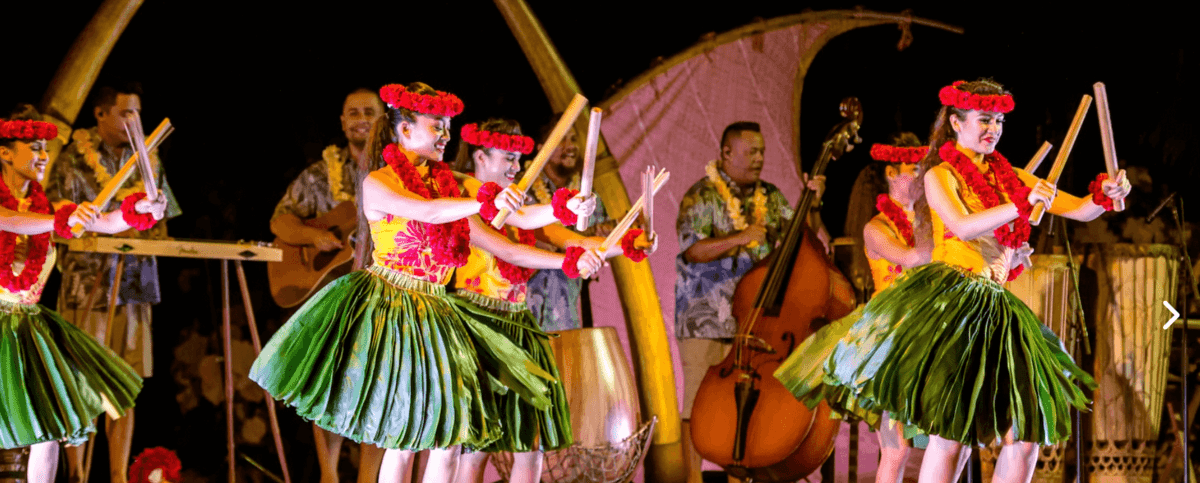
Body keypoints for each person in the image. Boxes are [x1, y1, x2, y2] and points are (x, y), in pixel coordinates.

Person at [808, 79, 1132, 483]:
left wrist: (1104, 194)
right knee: (952, 436)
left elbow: (1080, 210)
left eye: (998, 120)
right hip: (953, 303)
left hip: (997, 306)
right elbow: (961, 226)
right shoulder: (940, 176)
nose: (992, 128)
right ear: (957, 123)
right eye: (984, 119)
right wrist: (1017, 206)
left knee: (1025, 436)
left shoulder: (1010, 177)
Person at [249, 82, 553, 483]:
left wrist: (565, 217)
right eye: (437, 126)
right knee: (402, 436)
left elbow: (515, 232)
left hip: (437, 313)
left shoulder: (452, 184)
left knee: (448, 439)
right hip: (391, 311)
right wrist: (484, 201)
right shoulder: (379, 182)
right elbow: (427, 212)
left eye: (448, 126)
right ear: (405, 130)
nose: (446, 135)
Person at [446, 119, 647, 483]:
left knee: (531, 439)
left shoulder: (517, 209)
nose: (516, 168)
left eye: (519, 159)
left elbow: (570, 238)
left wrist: (627, 245)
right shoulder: (460, 201)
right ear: (479, 155)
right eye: (508, 157)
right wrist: (567, 259)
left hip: (518, 326)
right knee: (474, 447)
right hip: (476, 328)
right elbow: (513, 252)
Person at [0, 105, 166, 483]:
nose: (44, 156)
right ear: (5, 152)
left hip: (29, 326)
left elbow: (105, 221)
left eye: (46, 149)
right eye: (34, 147)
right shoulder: (31, 212)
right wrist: (60, 222)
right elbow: (7, 220)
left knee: (50, 431)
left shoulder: (46, 207)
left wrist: (140, 209)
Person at [673, 121, 827, 482]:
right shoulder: (701, 195)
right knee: (697, 404)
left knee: (748, 407)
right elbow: (693, 251)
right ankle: (691, 479)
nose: (759, 158)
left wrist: (813, 202)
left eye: (762, 151)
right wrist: (739, 237)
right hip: (705, 318)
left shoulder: (771, 196)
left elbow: (803, 239)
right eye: (750, 151)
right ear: (726, 153)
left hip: (757, 321)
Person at [774, 133, 933, 483]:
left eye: (925, 169)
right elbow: (913, 258)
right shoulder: (876, 228)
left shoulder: (929, 221)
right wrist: (944, 228)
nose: (924, 177)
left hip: (925, 333)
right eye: (916, 170)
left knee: (932, 445)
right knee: (896, 447)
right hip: (889, 341)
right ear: (892, 173)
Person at [44, 83, 182, 483]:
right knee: (83, 381)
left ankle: (119, 475)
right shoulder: (73, 159)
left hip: (136, 285)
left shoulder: (148, 159)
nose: (133, 122)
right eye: (125, 114)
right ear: (101, 114)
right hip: (89, 284)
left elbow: (163, 218)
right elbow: (63, 221)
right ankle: (77, 472)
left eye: (137, 113)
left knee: (126, 384)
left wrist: (153, 223)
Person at [268, 87, 387, 483]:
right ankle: (329, 477)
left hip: (381, 299)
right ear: (341, 121)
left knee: (378, 390)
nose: (360, 118)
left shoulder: (396, 171)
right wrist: (310, 236)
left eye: (369, 111)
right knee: (328, 387)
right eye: (352, 112)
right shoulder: (322, 175)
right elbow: (280, 221)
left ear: (385, 117)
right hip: (330, 299)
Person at [522, 115, 614, 331]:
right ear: (542, 148)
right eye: (562, 139)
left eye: (573, 139)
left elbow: (599, 245)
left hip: (564, 315)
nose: (570, 146)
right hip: (519, 312)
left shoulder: (589, 198)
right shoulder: (521, 189)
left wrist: (615, 239)